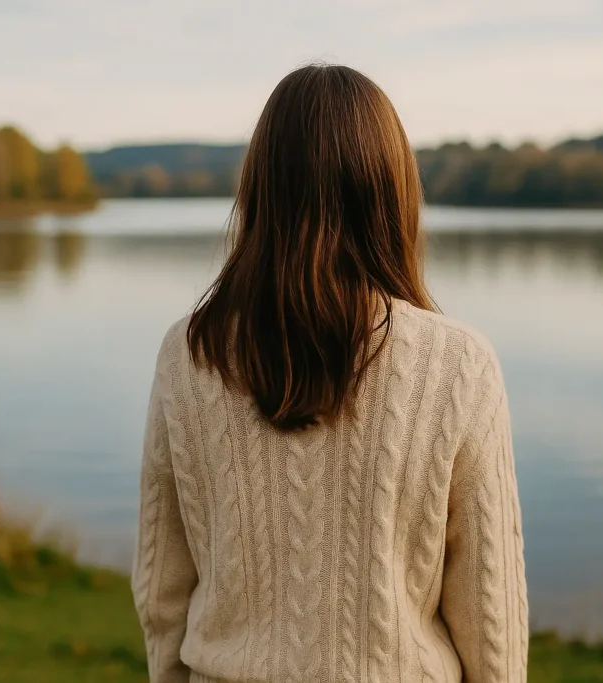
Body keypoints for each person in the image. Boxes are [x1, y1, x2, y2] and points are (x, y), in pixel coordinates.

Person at [132, 63, 527, 683]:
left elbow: (163, 592)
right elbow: (489, 612)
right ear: (391, 190)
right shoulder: (459, 365)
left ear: (262, 188)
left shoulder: (191, 352)